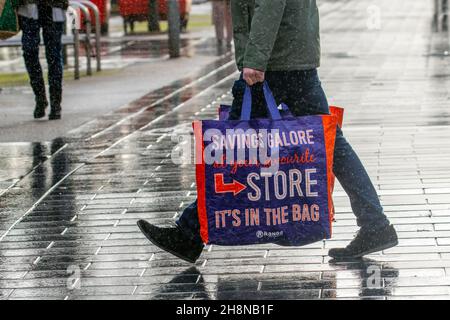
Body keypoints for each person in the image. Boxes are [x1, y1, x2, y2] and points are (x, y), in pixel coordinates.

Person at [137, 0, 398, 262]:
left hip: (276, 60)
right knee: (330, 144)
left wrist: (255, 60)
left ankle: (189, 234)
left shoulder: (268, 59)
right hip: (293, 54)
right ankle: (375, 224)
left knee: (234, 147)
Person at [12, 0, 67, 120]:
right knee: (29, 51)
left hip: (54, 7)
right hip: (29, 8)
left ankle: (55, 103)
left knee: (54, 56)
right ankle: (40, 97)